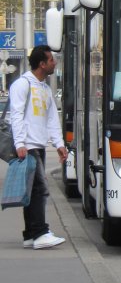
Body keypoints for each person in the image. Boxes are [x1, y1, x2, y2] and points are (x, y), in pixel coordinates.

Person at [9, 46, 68, 249]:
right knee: (39, 190)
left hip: (39, 145)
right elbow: (15, 115)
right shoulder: (23, 84)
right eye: (51, 60)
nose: (55, 62)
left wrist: (59, 144)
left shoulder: (44, 89)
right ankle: (40, 232)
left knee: (32, 191)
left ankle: (30, 235)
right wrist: (20, 144)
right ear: (42, 64)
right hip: (28, 145)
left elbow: (52, 119)